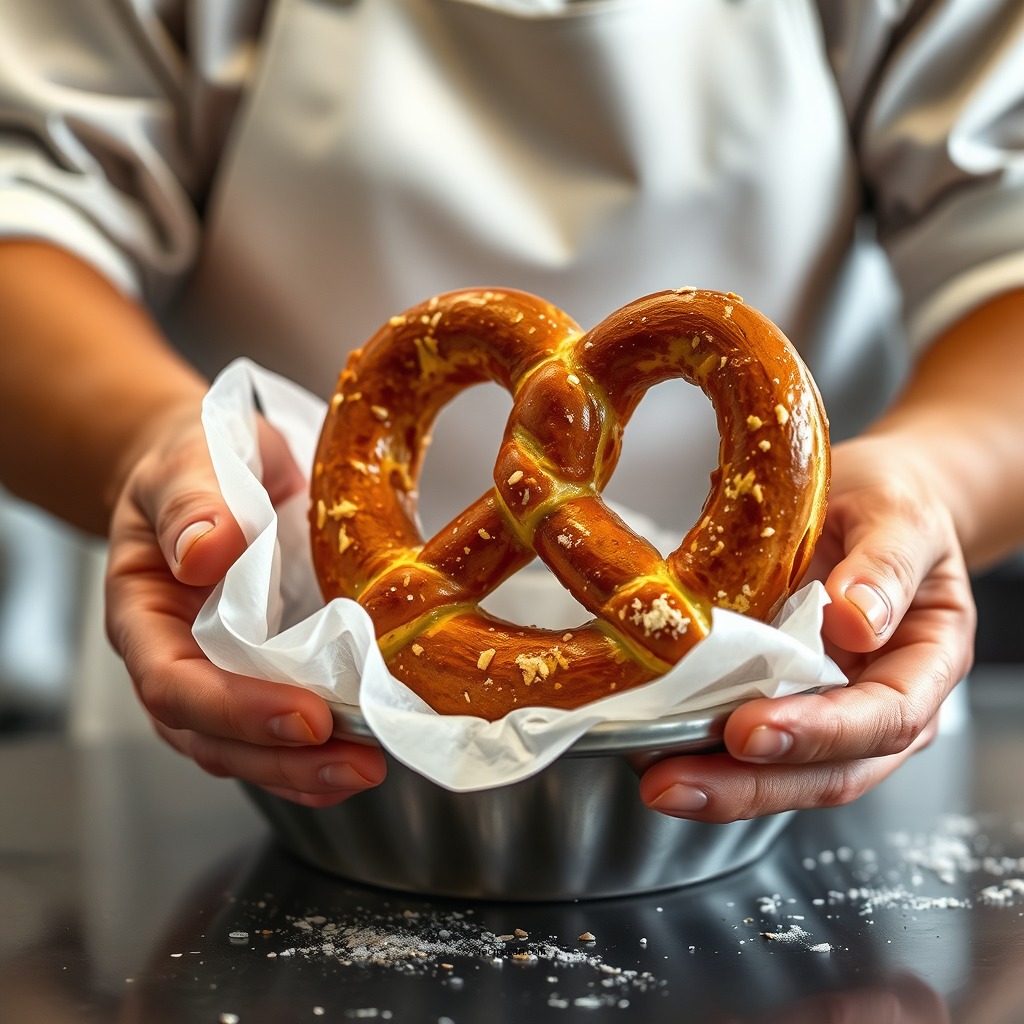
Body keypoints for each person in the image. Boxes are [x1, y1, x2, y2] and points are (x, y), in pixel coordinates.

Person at [0, 0, 1021, 820]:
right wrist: (153, 442)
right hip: (248, 704)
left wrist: (931, 478)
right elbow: (27, 210)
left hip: (813, 696)